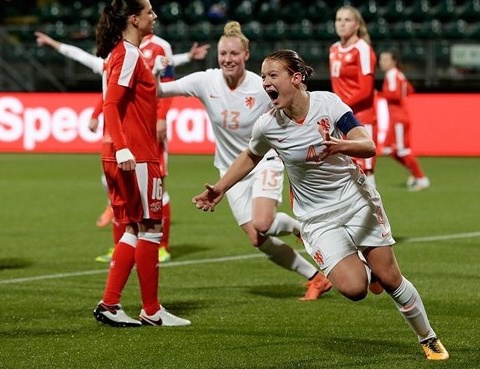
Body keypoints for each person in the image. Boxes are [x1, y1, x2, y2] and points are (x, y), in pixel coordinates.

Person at [192, 49, 449, 360]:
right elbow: (250, 156)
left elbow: (368, 146)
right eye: (263, 77)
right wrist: (219, 188)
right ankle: (370, 273)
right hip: (316, 218)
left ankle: (428, 337)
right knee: (354, 290)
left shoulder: (328, 104)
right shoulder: (267, 125)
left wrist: (343, 145)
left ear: (296, 78)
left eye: (273, 75)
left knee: (392, 278)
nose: (265, 82)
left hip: (356, 202)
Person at [158, 21, 332, 301]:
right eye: (223, 54)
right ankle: (316, 277)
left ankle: (299, 227)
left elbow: (295, 104)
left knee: (263, 223)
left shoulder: (260, 85)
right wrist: (158, 71)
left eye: (234, 54)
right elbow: (161, 91)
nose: (228, 59)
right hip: (231, 170)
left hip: (264, 160)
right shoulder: (205, 81)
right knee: (257, 238)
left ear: (246, 55)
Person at [34, 30, 210, 264]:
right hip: (123, 132)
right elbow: (105, 82)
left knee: (158, 189)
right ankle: (120, 246)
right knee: (117, 189)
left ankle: (161, 246)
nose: (153, 15)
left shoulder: (159, 46)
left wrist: (162, 117)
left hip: (149, 130)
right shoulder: (118, 52)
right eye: (148, 11)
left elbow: (167, 78)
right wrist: (55, 44)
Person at [91, 0, 190, 327]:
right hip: (136, 154)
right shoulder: (130, 54)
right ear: (134, 18)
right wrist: (123, 148)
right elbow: (111, 104)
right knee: (151, 228)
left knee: (134, 228)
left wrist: (155, 75)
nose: (155, 15)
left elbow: (124, 98)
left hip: (121, 152)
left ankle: (110, 304)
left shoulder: (119, 53)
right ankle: (152, 310)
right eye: (148, 11)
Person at [329, 5, 378, 187]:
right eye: (338, 19)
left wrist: (338, 106)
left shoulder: (363, 49)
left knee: (365, 170)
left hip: (361, 118)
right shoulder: (334, 49)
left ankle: (375, 214)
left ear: (357, 24)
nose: (341, 24)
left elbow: (365, 91)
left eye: (347, 20)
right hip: (341, 117)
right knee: (343, 169)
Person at [377, 49, 429, 191]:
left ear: (394, 61)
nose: (382, 62)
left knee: (403, 150)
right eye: (381, 59)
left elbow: (395, 94)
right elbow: (410, 89)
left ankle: (421, 179)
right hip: (396, 118)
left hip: (398, 118)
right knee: (389, 150)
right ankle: (414, 173)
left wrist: (379, 93)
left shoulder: (392, 74)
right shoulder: (399, 74)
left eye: (386, 59)